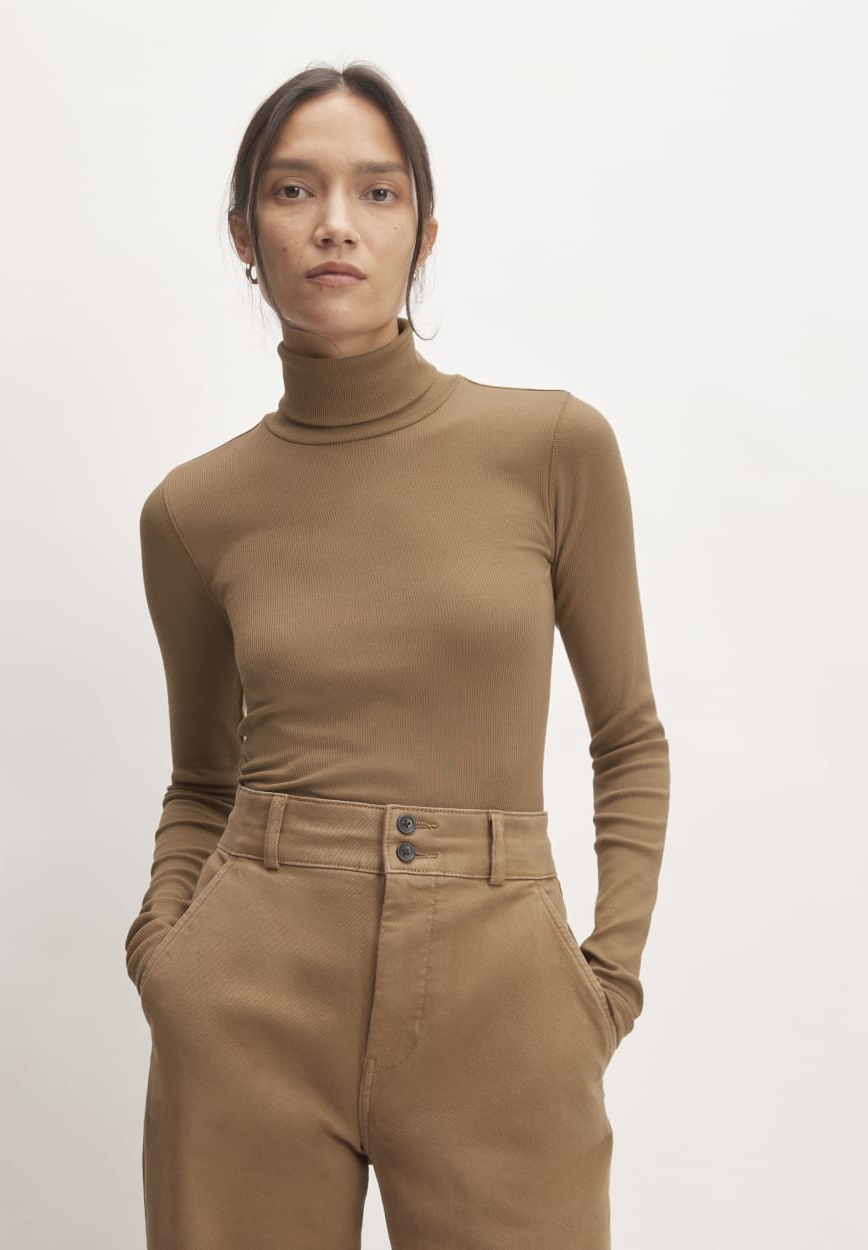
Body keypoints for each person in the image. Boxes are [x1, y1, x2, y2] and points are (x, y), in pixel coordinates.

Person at [123, 60, 671, 1250]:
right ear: (243, 234)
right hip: (250, 993)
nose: (335, 224)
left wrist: (605, 984)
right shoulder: (192, 511)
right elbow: (202, 780)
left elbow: (628, 736)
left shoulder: (553, 448)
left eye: (376, 192)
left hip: (503, 996)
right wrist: (166, 960)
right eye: (293, 189)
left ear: (423, 232)